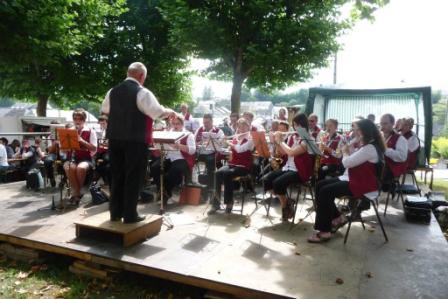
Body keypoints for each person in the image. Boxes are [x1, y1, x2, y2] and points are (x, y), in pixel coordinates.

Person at [101, 62, 175, 223]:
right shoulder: (142, 92)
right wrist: (170, 111)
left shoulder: (112, 91)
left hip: (114, 139)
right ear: (142, 76)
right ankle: (130, 214)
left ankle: (115, 213)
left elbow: (105, 110)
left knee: (117, 175)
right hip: (135, 141)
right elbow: (157, 112)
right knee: (133, 177)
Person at [308, 119, 385, 243]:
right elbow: (355, 160)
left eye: (356, 130)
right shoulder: (367, 145)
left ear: (364, 132)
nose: (354, 132)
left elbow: (347, 163)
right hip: (356, 178)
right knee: (320, 185)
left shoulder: (370, 148)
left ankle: (324, 231)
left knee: (325, 192)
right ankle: (338, 217)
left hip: (364, 185)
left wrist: (344, 152)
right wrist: (351, 148)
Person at [263, 113, 315, 221]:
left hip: (300, 171)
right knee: (266, 180)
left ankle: (285, 207)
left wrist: (281, 141)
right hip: (288, 167)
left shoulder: (309, 139)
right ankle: (287, 202)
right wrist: (276, 142)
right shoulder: (292, 136)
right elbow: (283, 153)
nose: (296, 128)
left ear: (304, 125)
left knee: (278, 183)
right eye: (295, 125)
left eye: (298, 125)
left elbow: (291, 153)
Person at [209, 118, 254, 214]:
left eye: (244, 126)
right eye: (239, 126)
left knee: (228, 174)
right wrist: (223, 144)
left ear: (248, 127)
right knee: (217, 173)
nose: (241, 128)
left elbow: (240, 149)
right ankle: (215, 203)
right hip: (233, 164)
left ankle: (229, 202)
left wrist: (229, 143)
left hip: (244, 166)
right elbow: (230, 151)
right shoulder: (235, 137)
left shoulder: (251, 139)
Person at [151, 115, 196, 205]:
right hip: (168, 157)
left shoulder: (188, 134)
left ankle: (165, 194)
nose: (175, 126)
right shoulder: (168, 133)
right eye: (174, 124)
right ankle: (164, 191)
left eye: (178, 124)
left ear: (182, 124)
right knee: (155, 167)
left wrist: (179, 146)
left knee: (175, 170)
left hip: (181, 158)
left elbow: (192, 150)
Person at [63, 108, 97, 205]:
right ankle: (78, 193)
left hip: (85, 158)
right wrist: (67, 146)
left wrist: (81, 140)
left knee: (80, 168)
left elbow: (94, 148)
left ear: (84, 120)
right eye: (75, 119)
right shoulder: (69, 131)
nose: (77, 121)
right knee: (69, 167)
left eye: (80, 119)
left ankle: (75, 194)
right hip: (71, 158)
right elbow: (64, 149)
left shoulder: (91, 131)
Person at [195, 114, 225, 191]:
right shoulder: (199, 129)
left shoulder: (218, 131)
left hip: (212, 152)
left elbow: (222, 144)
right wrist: (200, 142)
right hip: (200, 152)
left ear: (212, 121)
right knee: (189, 158)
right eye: (204, 122)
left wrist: (216, 141)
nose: (205, 124)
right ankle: (192, 182)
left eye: (207, 122)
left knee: (210, 161)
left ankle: (210, 185)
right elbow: (194, 142)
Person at [380, 113, 408, 190]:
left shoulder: (400, 139)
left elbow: (402, 157)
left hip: (391, 169)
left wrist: (385, 150)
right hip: (380, 167)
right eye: (381, 124)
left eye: (385, 123)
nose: (382, 126)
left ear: (392, 124)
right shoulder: (379, 137)